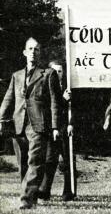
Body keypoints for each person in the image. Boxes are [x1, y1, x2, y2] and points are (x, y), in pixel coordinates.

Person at [0, 37, 61, 209]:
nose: (33, 52)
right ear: (25, 52)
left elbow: (55, 102)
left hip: (38, 125)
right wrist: (0, 118)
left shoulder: (48, 74)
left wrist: (55, 127)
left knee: (35, 161)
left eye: (37, 49)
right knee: (22, 165)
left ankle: (25, 200)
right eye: (30, 49)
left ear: (40, 53)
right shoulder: (16, 75)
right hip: (19, 125)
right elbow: (8, 98)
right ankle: (29, 196)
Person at [37, 60, 76, 201]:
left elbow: (74, 109)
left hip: (66, 128)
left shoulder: (69, 86)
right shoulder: (46, 87)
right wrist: (63, 100)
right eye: (55, 71)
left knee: (67, 161)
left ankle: (68, 191)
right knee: (50, 160)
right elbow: (52, 107)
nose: (58, 74)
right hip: (52, 129)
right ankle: (45, 190)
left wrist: (71, 123)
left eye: (60, 71)